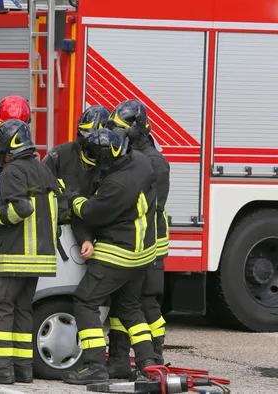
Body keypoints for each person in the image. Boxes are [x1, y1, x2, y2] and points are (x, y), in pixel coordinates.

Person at [61, 127, 160, 385]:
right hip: (141, 254)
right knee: (130, 308)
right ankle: (148, 362)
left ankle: (95, 365)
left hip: (118, 253)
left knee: (85, 301)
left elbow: (92, 211)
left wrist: (73, 199)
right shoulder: (139, 161)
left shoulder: (117, 184)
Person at [0, 119, 68, 385]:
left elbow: (22, 209)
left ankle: (1, 368)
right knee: (23, 309)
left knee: (2, 309)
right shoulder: (44, 170)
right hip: (42, 257)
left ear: (9, 143)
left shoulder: (12, 171)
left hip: (14, 254)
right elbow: (61, 210)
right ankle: (23, 369)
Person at [104, 99, 171, 378]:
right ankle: (119, 357)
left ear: (135, 129)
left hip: (150, 244)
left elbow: (149, 206)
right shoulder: (135, 155)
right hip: (138, 241)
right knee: (125, 300)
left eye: (121, 129)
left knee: (145, 302)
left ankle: (155, 355)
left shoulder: (154, 162)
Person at [42, 105, 111, 262]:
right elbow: (38, 187)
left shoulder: (108, 164)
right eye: (81, 135)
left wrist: (86, 237)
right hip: (56, 233)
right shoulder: (58, 155)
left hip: (90, 237)